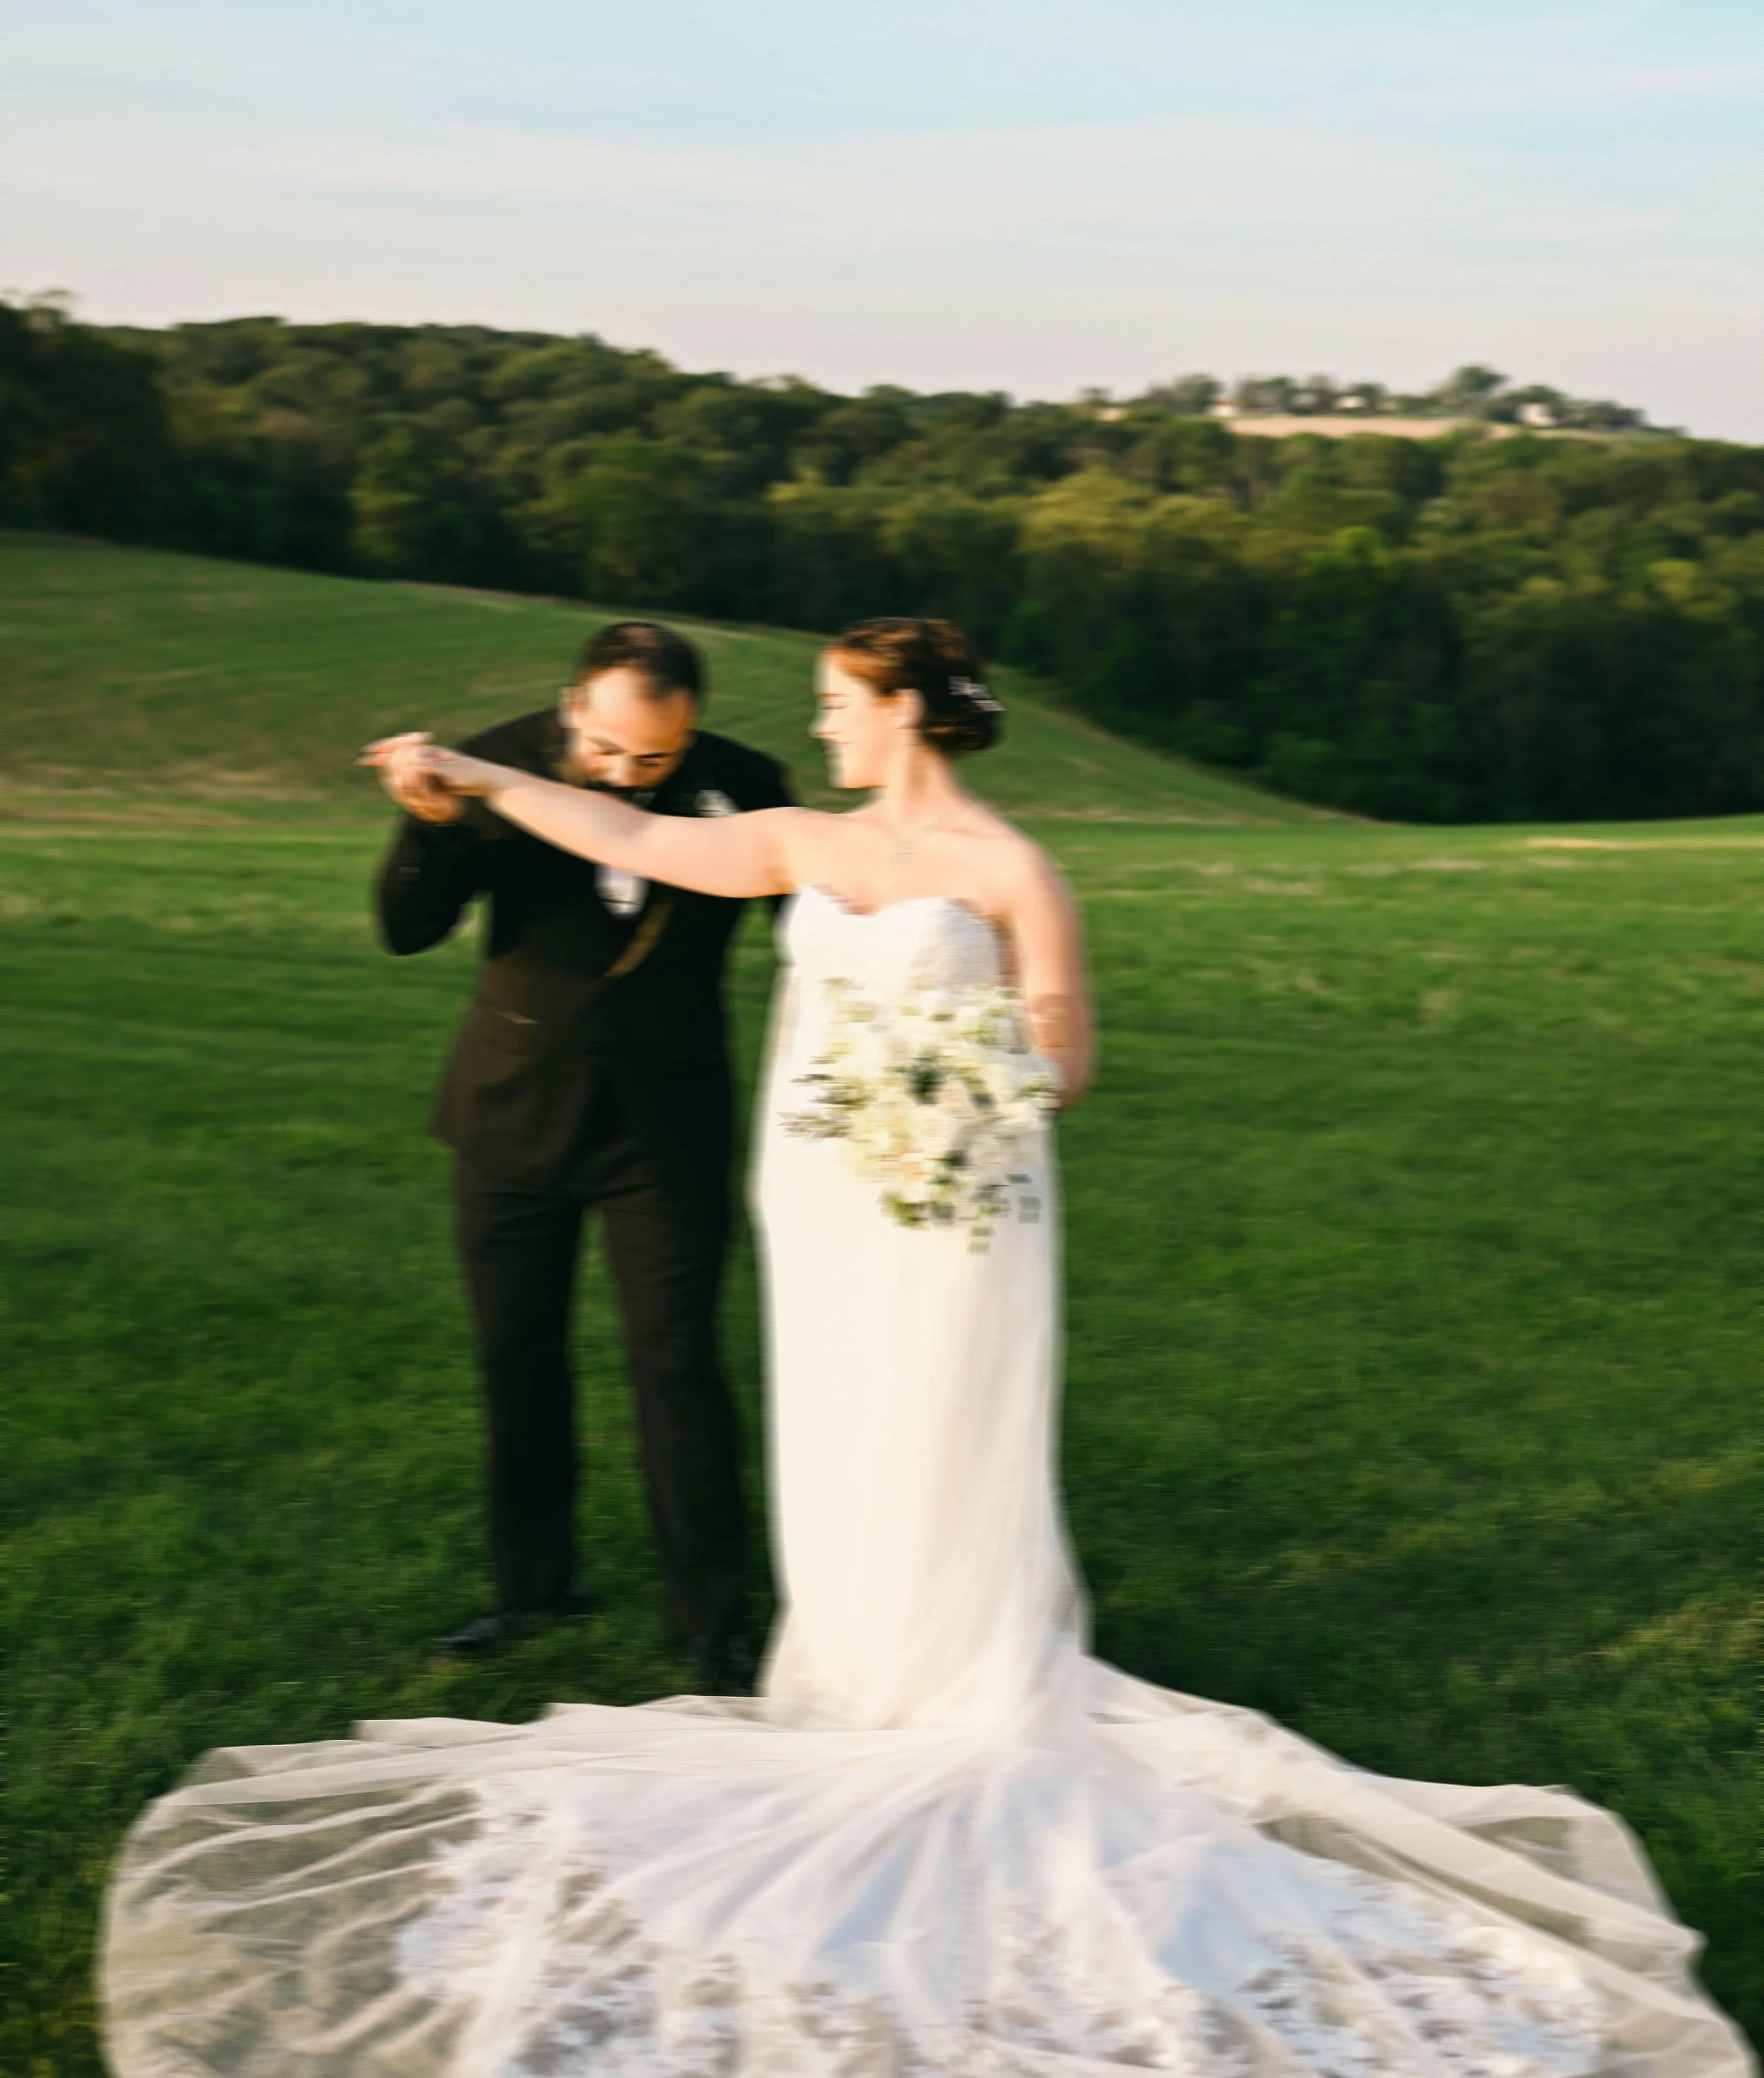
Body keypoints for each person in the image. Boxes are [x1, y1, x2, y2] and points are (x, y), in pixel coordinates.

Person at [102, 620, 1751, 2077]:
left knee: (930, 1428)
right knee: (832, 1428)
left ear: (902, 710)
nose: (815, 725)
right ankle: (852, 1667)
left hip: (952, 1210)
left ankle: (949, 1686)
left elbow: (1066, 1059)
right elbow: (615, 825)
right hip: (818, 1199)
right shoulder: (803, 839)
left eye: (834, 700)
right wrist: (467, 771)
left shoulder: (1013, 871)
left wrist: (951, 1090)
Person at [370, 618, 790, 1681]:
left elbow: (816, 930)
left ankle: (711, 1625)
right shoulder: (491, 763)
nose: (624, 776)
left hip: (670, 1124)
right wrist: (429, 829)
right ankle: (530, 1590)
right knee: (518, 1355)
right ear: (574, 707)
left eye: (655, 759)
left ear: (692, 730)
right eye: (606, 751)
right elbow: (405, 926)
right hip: (510, 1112)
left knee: (679, 1365)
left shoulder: (749, 783)